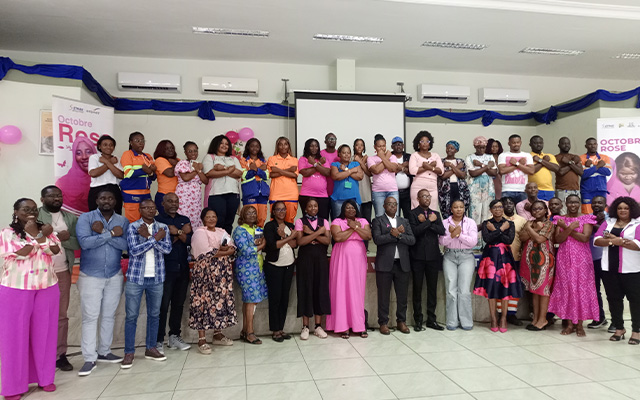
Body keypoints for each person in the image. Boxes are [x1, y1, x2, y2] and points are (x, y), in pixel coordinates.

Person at [0, 198, 61, 399]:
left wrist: (40, 235)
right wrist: (39, 236)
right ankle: (13, 386)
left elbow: (55, 250)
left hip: (47, 286)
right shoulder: (8, 232)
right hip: (16, 288)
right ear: (16, 212)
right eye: (26, 209)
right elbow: (23, 252)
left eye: (34, 209)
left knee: (45, 334)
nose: (31, 212)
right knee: (14, 337)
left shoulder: (46, 229)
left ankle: (45, 378)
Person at [76, 189, 129, 376]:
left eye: (110, 198)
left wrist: (103, 233)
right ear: (97, 200)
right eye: (103, 198)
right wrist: (111, 234)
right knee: (90, 317)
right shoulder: (86, 218)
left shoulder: (122, 221)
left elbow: (126, 245)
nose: (107, 201)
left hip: (114, 274)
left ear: (115, 201)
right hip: (90, 275)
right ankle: (89, 358)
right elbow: (85, 243)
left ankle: (104, 351)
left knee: (109, 315)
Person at [122, 199, 172, 369]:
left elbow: (167, 249)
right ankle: (129, 352)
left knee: (154, 315)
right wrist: (154, 239)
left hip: (156, 278)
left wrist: (149, 237)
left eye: (152, 207)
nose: (150, 210)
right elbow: (134, 251)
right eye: (146, 208)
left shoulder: (163, 227)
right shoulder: (133, 227)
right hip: (136, 278)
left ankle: (151, 348)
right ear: (140, 209)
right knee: (131, 316)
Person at [37, 185, 80, 372]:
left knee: (61, 315)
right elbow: (27, 241)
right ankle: (39, 354)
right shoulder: (34, 217)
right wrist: (44, 235)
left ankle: (60, 355)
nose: (56, 199)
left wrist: (64, 239)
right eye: (52, 196)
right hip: (38, 273)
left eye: (59, 196)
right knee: (38, 315)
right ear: (42, 199)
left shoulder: (70, 218)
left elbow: (77, 243)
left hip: (62, 272)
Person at [548, 194, 599, 337]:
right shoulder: (560, 219)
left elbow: (584, 238)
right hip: (564, 258)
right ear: (566, 203)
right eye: (570, 202)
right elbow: (558, 239)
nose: (573, 205)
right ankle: (570, 324)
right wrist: (569, 227)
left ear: (580, 203)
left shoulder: (586, 218)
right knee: (567, 288)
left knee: (581, 289)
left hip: (582, 259)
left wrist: (566, 228)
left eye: (576, 202)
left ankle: (580, 324)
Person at [190, 208, 237, 354]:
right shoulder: (199, 232)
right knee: (202, 303)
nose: (211, 219)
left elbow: (233, 247)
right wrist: (225, 251)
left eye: (214, 216)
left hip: (221, 274)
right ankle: (202, 340)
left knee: (219, 302)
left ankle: (217, 334)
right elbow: (206, 252)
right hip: (204, 274)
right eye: (208, 217)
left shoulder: (221, 231)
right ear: (203, 219)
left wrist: (226, 250)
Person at [594, 196, 640, 344]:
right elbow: (597, 240)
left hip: (631, 269)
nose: (623, 210)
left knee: (635, 300)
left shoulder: (638, 223)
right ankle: (619, 328)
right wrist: (615, 240)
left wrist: (613, 239)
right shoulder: (608, 222)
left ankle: (636, 331)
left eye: (626, 208)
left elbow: (637, 245)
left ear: (632, 209)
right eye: (620, 208)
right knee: (613, 299)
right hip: (609, 268)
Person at [473, 199, 521, 333]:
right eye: (495, 207)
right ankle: (493, 318)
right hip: (490, 257)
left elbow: (509, 240)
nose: (498, 209)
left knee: (505, 287)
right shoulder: (486, 223)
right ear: (490, 210)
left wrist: (496, 230)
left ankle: (503, 318)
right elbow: (487, 239)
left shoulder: (509, 224)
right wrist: (500, 230)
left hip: (505, 258)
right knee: (491, 287)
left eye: (500, 207)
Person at [327, 199, 372, 338]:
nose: (351, 210)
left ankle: (358, 325)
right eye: (347, 208)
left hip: (358, 260)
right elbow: (338, 237)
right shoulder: (337, 221)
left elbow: (368, 236)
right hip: (341, 258)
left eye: (353, 207)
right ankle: (343, 326)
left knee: (357, 291)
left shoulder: (363, 221)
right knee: (341, 290)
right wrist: (353, 228)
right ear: (343, 210)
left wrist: (356, 227)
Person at [372, 196, 416, 335]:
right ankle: (383, 322)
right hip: (384, 264)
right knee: (383, 296)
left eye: (395, 204)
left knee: (402, 296)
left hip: (402, 264)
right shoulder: (378, 221)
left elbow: (412, 240)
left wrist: (399, 236)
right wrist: (392, 235)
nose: (393, 206)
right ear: (384, 206)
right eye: (389, 204)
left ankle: (401, 321)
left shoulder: (404, 221)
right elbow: (377, 239)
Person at [155, 193, 192, 353]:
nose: (173, 204)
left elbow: (190, 241)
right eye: (169, 201)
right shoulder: (157, 220)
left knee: (178, 304)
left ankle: (174, 336)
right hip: (165, 269)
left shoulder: (184, 219)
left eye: (176, 201)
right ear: (163, 203)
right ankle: (158, 340)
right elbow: (161, 242)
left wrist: (176, 232)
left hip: (182, 268)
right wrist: (181, 233)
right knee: (162, 306)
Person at [294, 198, 331, 340]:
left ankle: (318, 326)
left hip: (321, 261)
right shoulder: (300, 221)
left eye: (315, 206)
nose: (313, 208)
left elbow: (327, 241)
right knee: (305, 290)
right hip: (305, 261)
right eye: (310, 206)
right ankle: (305, 326)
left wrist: (309, 233)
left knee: (319, 290)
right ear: (305, 208)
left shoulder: (324, 221)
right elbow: (300, 241)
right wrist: (318, 233)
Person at [409, 189, 445, 331]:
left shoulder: (435, 214)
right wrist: (429, 222)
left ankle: (431, 319)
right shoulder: (412, 213)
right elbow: (415, 232)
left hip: (433, 257)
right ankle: (418, 320)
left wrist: (427, 223)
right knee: (417, 289)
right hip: (417, 257)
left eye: (428, 196)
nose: (427, 199)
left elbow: (442, 231)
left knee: (432, 289)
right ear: (418, 198)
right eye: (424, 196)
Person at [439, 199, 478, 331]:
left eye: (461, 207)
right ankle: (452, 321)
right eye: (455, 207)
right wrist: (452, 235)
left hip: (466, 257)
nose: (459, 209)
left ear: (464, 208)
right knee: (451, 290)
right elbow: (442, 241)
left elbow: (473, 242)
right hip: (449, 256)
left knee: (464, 290)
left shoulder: (470, 222)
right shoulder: (445, 223)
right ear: (451, 209)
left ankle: (466, 321)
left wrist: (458, 234)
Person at [233, 205, 268, 345]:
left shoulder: (258, 229)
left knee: (251, 300)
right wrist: (261, 245)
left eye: (254, 213)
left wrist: (261, 245)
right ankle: (250, 333)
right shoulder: (239, 230)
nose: (252, 215)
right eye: (248, 213)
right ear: (242, 215)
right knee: (251, 299)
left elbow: (258, 247)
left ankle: (244, 330)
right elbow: (246, 250)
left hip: (258, 266)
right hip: (245, 268)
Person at [264, 201, 297, 342]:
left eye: (283, 209)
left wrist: (285, 236)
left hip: (289, 266)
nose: (281, 212)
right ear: (273, 212)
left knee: (284, 299)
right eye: (278, 209)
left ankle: (281, 328)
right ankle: (275, 330)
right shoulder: (269, 226)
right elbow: (273, 245)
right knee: (275, 299)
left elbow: (294, 244)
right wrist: (287, 237)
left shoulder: (290, 225)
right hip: (274, 266)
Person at [519, 200, 555, 331]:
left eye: (540, 208)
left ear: (546, 210)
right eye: (534, 209)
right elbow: (522, 237)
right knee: (534, 290)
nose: (537, 211)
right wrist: (534, 229)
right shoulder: (530, 223)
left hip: (544, 261)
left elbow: (540, 239)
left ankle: (543, 319)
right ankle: (535, 318)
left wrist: (530, 229)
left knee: (543, 290)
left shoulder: (549, 224)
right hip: (531, 261)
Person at [203, 135, 242, 234]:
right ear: (216, 144)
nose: (224, 146)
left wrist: (223, 168)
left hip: (233, 193)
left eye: (226, 144)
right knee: (218, 221)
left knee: (229, 222)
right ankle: (216, 242)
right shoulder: (210, 157)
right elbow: (209, 173)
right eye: (221, 143)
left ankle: (226, 242)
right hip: (216, 194)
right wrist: (229, 170)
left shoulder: (233, 158)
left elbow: (239, 173)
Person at [499, 196, 527, 326]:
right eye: (505, 203)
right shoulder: (496, 218)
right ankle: (500, 313)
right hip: (500, 258)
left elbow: (525, 239)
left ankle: (511, 314)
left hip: (516, 258)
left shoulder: (522, 220)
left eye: (511, 203)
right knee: (500, 286)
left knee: (515, 286)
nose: (508, 205)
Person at [121, 132, 156, 223]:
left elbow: (153, 176)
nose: (141, 143)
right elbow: (128, 173)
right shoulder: (127, 154)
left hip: (146, 193)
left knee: (147, 220)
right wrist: (145, 170)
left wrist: (150, 172)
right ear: (131, 142)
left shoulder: (147, 156)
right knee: (133, 221)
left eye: (142, 141)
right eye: (137, 140)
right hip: (132, 193)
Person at [588, 195, 610, 330]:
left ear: (605, 205)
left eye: (600, 203)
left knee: (611, 290)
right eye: (594, 202)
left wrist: (594, 224)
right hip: (592, 260)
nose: (597, 205)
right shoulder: (588, 217)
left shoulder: (611, 219)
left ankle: (616, 322)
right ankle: (599, 317)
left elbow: (605, 233)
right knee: (595, 290)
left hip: (607, 259)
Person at [175, 141, 208, 229]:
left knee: (195, 217)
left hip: (195, 197)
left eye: (195, 151)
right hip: (184, 195)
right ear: (185, 152)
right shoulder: (182, 163)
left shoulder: (199, 164)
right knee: (184, 215)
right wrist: (196, 170)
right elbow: (185, 178)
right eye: (190, 151)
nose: (193, 153)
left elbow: (205, 181)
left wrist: (199, 170)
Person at [466, 136, 497, 228]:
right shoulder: (470, 157)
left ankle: (486, 235)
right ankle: (474, 235)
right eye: (479, 147)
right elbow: (473, 173)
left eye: (483, 147)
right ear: (475, 146)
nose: (481, 149)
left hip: (488, 188)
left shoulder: (490, 157)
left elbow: (494, 172)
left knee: (487, 212)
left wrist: (480, 165)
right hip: (474, 188)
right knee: (475, 212)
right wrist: (488, 166)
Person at [88, 134, 123, 214]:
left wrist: (107, 162)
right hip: (97, 190)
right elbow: (93, 173)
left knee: (115, 215)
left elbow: (121, 175)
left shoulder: (117, 159)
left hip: (114, 189)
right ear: (99, 146)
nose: (108, 147)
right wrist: (110, 162)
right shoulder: (94, 157)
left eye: (111, 145)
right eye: (105, 145)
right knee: (95, 216)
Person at [267, 136, 299, 223]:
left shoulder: (294, 160)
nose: (283, 146)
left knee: (289, 222)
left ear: (288, 146)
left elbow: (294, 175)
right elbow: (271, 175)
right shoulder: (272, 159)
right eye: (280, 144)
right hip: (276, 194)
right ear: (277, 146)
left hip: (291, 194)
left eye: (285, 144)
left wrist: (278, 170)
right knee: (275, 222)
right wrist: (289, 170)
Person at [368, 134, 400, 217]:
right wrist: (385, 157)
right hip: (378, 192)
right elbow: (376, 170)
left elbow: (393, 168)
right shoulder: (371, 158)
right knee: (380, 216)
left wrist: (383, 158)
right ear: (375, 147)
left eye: (383, 146)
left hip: (392, 191)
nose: (382, 148)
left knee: (394, 216)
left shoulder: (392, 157)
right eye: (379, 146)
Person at [239, 138, 270, 227]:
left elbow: (266, 176)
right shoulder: (243, 160)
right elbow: (244, 176)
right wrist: (259, 169)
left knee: (261, 218)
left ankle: (259, 235)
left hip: (262, 194)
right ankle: (248, 235)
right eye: (252, 146)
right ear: (248, 147)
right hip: (250, 193)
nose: (254, 148)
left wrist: (255, 168)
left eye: (257, 146)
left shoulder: (263, 161)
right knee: (249, 218)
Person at [409, 131, 443, 210]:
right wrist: (430, 166)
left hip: (432, 188)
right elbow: (412, 170)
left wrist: (428, 167)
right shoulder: (414, 155)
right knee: (417, 211)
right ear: (418, 144)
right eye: (422, 141)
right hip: (417, 187)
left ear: (430, 144)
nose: (425, 143)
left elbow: (441, 171)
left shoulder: (435, 155)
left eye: (427, 141)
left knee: (432, 211)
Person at [298, 138, 331, 220]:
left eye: (316, 146)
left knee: (323, 220)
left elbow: (327, 172)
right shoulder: (303, 159)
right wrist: (319, 165)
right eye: (311, 146)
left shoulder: (323, 159)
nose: (314, 148)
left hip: (322, 195)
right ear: (307, 147)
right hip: (306, 194)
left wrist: (314, 164)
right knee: (307, 221)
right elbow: (305, 173)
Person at [498, 134, 535, 204]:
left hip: (523, 190)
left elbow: (531, 171)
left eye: (518, 142)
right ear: (509, 143)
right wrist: (518, 164)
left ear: (521, 143)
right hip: (507, 189)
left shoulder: (527, 155)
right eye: (513, 143)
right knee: (507, 210)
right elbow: (502, 171)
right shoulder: (503, 155)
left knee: (522, 210)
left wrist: (517, 164)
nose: (516, 144)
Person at [438, 140, 470, 219]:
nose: (449, 150)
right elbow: (443, 176)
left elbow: (462, 175)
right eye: (447, 148)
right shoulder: (442, 161)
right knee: (446, 210)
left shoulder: (460, 161)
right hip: (445, 189)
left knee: (460, 209)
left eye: (452, 148)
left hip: (460, 188)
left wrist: (451, 166)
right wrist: (457, 168)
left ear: (456, 150)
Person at [580, 137, 612, 214]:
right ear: (586, 146)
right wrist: (598, 166)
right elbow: (584, 174)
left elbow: (608, 172)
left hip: (601, 189)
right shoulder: (581, 158)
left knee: (602, 214)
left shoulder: (604, 157)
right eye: (590, 144)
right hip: (587, 191)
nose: (592, 146)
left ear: (597, 145)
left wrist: (591, 166)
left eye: (594, 144)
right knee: (587, 214)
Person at [330, 144, 363, 217]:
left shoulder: (355, 164)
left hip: (354, 199)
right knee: (339, 222)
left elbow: (360, 176)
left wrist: (345, 170)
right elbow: (336, 176)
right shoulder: (335, 164)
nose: (346, 155)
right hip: (338, 200)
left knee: (355, 220)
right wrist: (352, 171)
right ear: (339, 154)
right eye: (344, 153)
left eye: (348, 153)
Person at [354, 138, 373, 251]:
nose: (359, 147)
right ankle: (357, 245)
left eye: (361, 145)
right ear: (354, 147)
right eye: (357, 145)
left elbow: (369, 173)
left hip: (366, 194)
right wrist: (357, 161)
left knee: (366, 221)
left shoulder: (368, 159)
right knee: (357, 221)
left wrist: (361, 162)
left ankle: (365, 247)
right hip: (355, 194)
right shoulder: (350, 158)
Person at [554, 137, 582, 213]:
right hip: (562, 190)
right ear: (559, 145)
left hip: (575, 189)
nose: (566, 145)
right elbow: (561, 172)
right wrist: (573, 164)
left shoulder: (575, 157)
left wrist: (569, 163)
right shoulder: (556, 158)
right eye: (563, 143)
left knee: (575, 213)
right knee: (563, 213)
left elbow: (580, 172)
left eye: (568, 143)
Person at [528, 135, 559, 201]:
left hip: (549, 189)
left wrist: (540, 160)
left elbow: (556, 168)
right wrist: (545, 161)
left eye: (540, 143)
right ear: (530, 144)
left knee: (550, 207)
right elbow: (532, 170)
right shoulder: (527, 156)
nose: (538, 145)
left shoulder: (549, 156)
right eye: (535, 143)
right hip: (534, 190)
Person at [153, 140, 179, 214]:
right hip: (164, 195)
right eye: (167, 148)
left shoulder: (177, 160)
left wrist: (176, 163)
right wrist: (176, 164)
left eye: (172, 148)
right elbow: (170, 173)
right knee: (166, 219)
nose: (170, 150)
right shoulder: (159, 160)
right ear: (161, 150)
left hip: (177, 195)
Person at [391, 136, 413, 218]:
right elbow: (389, 171)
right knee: (395, 216)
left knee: (408, 216)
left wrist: (397, 167)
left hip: (407, 192)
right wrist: (403, 167)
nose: (398, 146)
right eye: (396, 144)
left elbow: (412, 171)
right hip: (393, 192)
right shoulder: (389, 157)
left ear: (403, 146)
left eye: (400, 144)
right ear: (392, 146)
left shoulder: (409, 157)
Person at [321, 132, 340, 202]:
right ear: (325, 141)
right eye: (329, 139)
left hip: (336, 188)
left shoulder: (340, 154)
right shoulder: (320, 153)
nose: (331, 140)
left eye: (333, 139)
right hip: (323, 189)